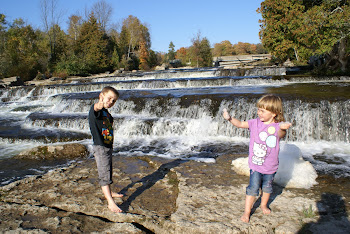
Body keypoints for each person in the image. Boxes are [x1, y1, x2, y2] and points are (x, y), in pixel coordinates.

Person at [222, 94, 292, 223]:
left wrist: (283, 128)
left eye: (263, 111)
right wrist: (230, 118)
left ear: (274, 113)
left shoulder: (277, 126)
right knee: (252, 188)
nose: (259, 113)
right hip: (255, 165)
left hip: (271, 166)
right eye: (258, 109)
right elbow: (240, 124)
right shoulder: (255, 123)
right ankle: (247, 212)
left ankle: (263, 205)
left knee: (267, 188)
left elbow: (280, 134)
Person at [88, 86, 123, 213]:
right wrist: (100, 104)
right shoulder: (96, 110)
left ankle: (110, 192)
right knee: (104, 174)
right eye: (109, 98)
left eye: (114, 101)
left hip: (107, 146)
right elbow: (96, 107)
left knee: (108, 170)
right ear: (101, 96)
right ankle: (110, 202)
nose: (111, 102)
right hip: (100, 147)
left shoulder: (106, 113)